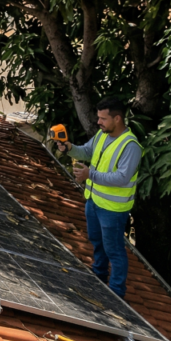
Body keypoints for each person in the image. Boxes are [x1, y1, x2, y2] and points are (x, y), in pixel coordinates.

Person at [55, 97, 141, 298]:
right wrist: (69, 148)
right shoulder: (102, 136)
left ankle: (116, 293)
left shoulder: (130, 146)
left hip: (113, 209)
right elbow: (86, 151)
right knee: (97, 242)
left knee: (114, 250)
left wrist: (89, 175)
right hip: (94, 201)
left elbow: (121, 178)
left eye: (103, 118)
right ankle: (99, 278)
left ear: (117, 118)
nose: (98, 122)